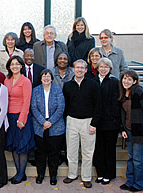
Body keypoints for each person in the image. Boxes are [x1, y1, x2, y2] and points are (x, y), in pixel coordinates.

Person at [62, 59, 101, 189]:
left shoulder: (93, 85)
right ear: (73, 69)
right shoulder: (67, 85)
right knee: (71, 151)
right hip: (72, 121)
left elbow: (98, 106)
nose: (79, 70)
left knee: (87, 151)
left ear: (86, 70)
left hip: (88, 122)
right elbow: (65, 105)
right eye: (77, 67)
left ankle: (86, 177)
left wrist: (94, 123)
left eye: (82, 68)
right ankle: (72, 174)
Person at [31, 69, 65, 185]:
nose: (46, 78)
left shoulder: (58, 91)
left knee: (54, 153)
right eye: (44, 76)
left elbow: (61, 108)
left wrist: (50, 122)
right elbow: (33, 108)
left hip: (55, 126)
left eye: (48, 76)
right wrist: (43, 122)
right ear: (41, 78)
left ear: (51, 78)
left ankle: (53, 176)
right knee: (40, 153)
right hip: (39, 126)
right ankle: (40, 175)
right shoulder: (35, 91)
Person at [4, 56, 35, 184]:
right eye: (12, 64)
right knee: (14, 146)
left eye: (17, 64)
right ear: (9, 66)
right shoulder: (7, 80)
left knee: (22, 146)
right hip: (9, 117)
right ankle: (18, 173)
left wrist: (22, 119)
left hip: (21, 117)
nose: (15, 66)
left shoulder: (25, 81)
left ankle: (21, 174)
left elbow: (27, 101)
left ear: (21, 66)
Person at [92, 58, 120, 185]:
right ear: (97, 68)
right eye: (101, 66)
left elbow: (116, 103)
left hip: (110, 122)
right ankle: (101, 173)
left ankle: (109, 174)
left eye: (106, 67)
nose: (103, 69)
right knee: (99, 150)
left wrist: (112, 117)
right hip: (97, 122)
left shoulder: (114, 82)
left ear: (110, 69)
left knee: (109, 150)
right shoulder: (93, 82)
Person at [118, 70, 143, 192]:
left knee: (138, 160)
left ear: (134, 81)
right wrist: (123, 129)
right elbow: (123, 114)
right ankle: (130, 181)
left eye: (129, 79)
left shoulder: (139, 92)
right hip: (128, 130)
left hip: (139, 132)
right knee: (131, 157)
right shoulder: (124, 93)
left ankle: (139, 184)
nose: (126, 81)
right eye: (124, 78)